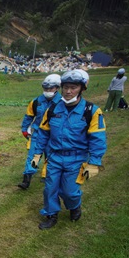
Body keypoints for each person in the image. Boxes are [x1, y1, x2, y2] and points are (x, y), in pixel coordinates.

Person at [30, 70, 107, 229]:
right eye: (65, 87)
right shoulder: (52, 110)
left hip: (76, 159)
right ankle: (51, 214)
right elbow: (43, 133)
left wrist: (94, 162)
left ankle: (74, 205)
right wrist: (37, 154)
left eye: (73, 87)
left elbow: (97, 139)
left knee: (69, 191)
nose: (68, 91)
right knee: (50, 188)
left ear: (82, 89)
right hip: (55, 157)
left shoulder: (91, 112)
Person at [17, 73, 62, 190]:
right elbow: (29, 116)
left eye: (50, 88)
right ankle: (26, 179)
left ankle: (47, 176)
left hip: (54, 134)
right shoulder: (36, 101)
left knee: (51, 156)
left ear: (57, 88)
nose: (47, 90)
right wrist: (24, 130)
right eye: (45, 88)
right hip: (38, 133)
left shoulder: (62, 103)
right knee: (32, 155)